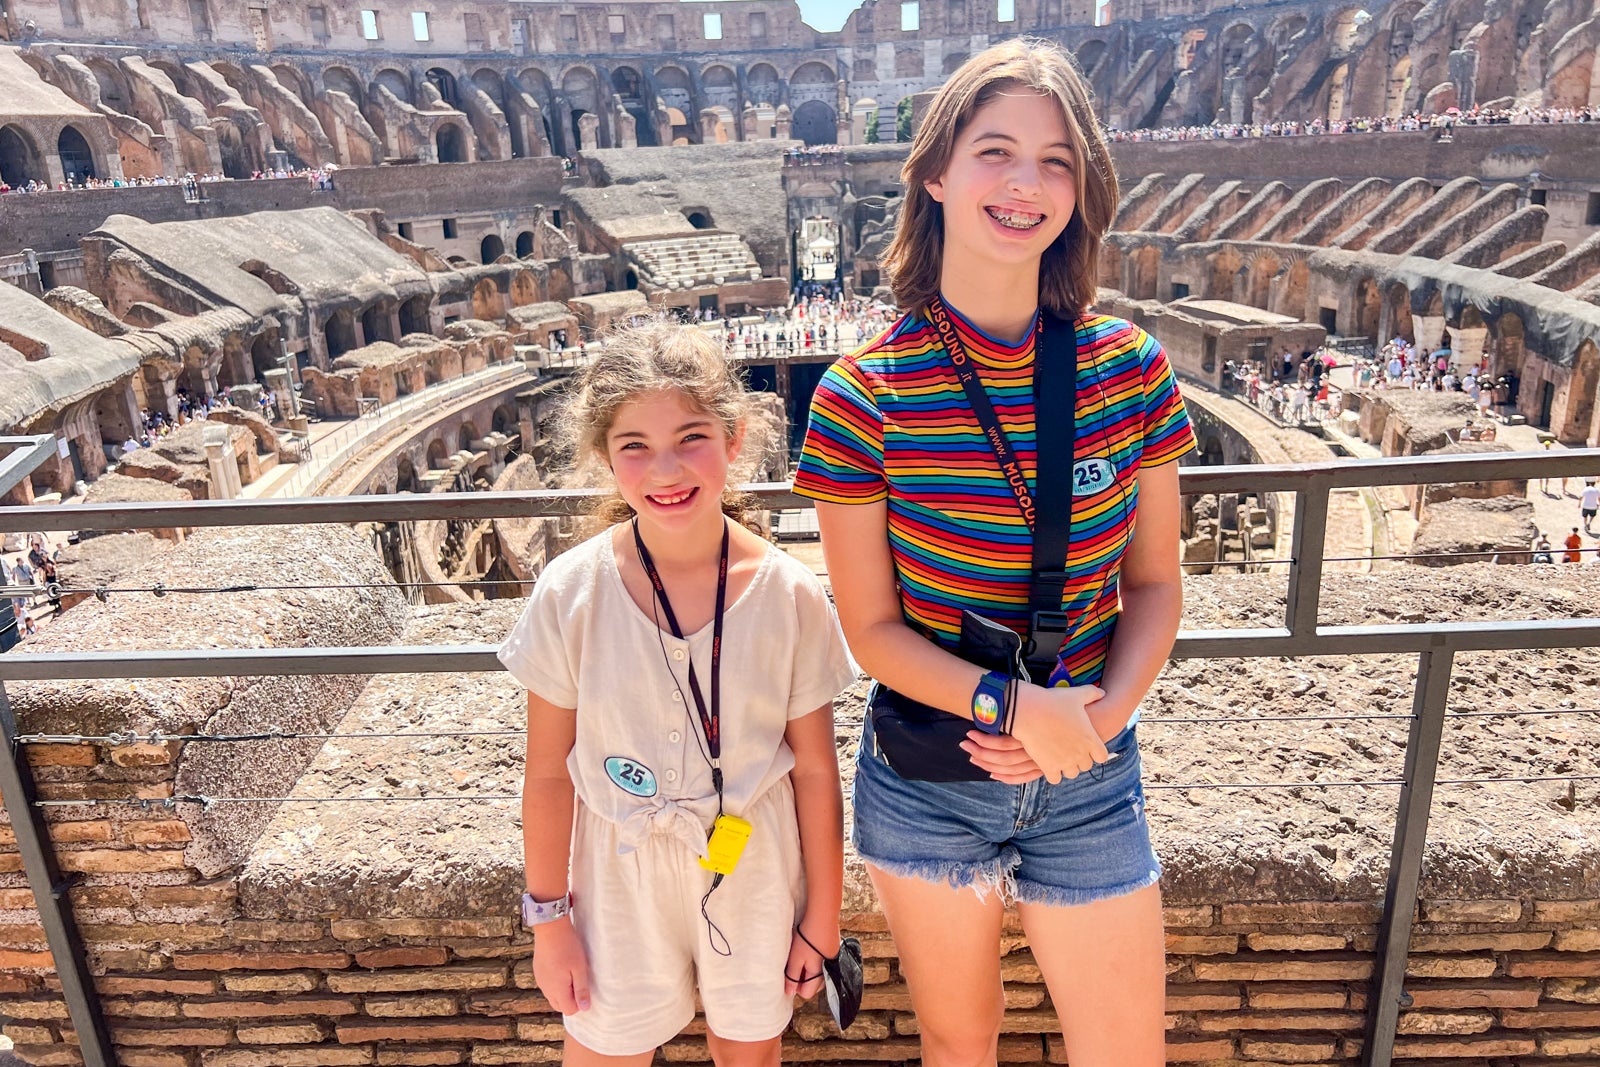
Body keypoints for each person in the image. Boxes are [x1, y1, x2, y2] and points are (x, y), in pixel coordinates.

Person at [794, 39, 1192, 1065]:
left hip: (1089, 771)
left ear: (1082, 188)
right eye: (995, 151)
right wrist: (1014, 707)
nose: (1026, 184)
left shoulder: (1130, 369)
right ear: (936, 172)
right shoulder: (860, 395)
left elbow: (1152, 584)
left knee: (1125, 1049)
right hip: (929, 775)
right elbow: (870, 632)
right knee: (959, 1042)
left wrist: (1091, 719)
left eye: (1057, 161)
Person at [500, 322, 857, 1065]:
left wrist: (821, 919)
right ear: (605, 457)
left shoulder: (790, 593)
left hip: (753, 863)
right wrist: (548, 920)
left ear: (735, 437)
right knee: (603, 1050)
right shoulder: (572, 591)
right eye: (634, 445)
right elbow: (545, 774)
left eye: (691, 437)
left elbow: (817, 771)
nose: (665, 468)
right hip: (615, 869)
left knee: (747, 1052)